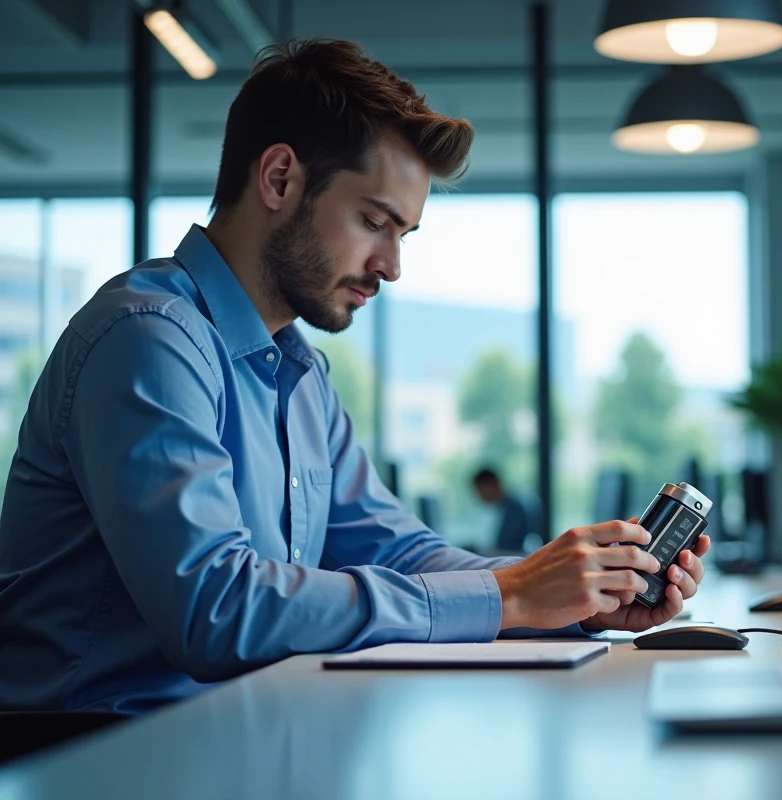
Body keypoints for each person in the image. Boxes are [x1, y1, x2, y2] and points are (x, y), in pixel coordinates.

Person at [0, 39, 708, 715]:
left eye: (403, 235)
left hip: (241, 729)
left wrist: (572, 596)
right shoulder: (149, 338)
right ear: (279, 179)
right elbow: (215, 611)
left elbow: (400, 550)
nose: (391, 267)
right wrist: (512, 595)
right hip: (103, 750)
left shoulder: (299, 373)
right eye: (375, 222)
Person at [471, 468, 545, 553]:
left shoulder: (514, 509)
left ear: (491, 485)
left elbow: (507, 547)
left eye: (480, 490)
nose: (479, 496)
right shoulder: (509, 506)